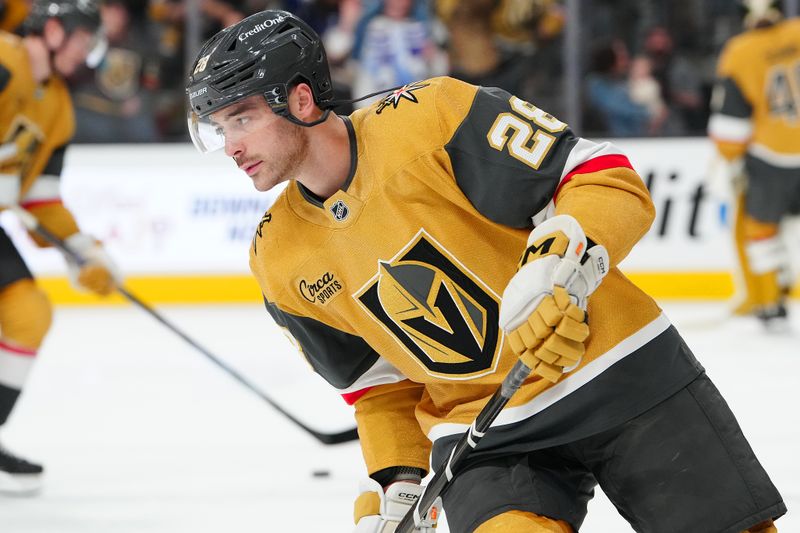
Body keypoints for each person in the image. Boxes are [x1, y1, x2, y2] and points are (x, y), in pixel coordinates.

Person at [186, 10, 786, 532]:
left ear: (299, 99)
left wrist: (560, 261)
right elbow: (377, 383)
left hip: (618, 370)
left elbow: (602, 177)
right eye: (219, 127)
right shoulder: (278, 257)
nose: (231, 145)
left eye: (241, 118)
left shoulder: (430, 117)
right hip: (486, 434)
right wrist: (397, 478)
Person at [0, 0, 120, 494]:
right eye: (82, 39)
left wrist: (81, 249)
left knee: (28, 314)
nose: (87, 51)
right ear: (52, 29)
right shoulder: (5, 62)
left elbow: (40, 195)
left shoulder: (59, 106)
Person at [707, 0, 800, 328]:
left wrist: (729, 158)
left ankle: (771, 303)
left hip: (770, 157)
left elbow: (731, 124)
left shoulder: (740, 51)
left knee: (761, 231)